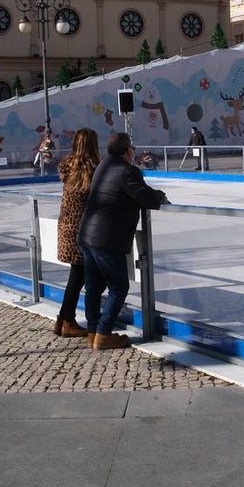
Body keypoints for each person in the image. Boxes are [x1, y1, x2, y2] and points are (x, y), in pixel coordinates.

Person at [77, 132, 169, 350]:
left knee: (93, 286)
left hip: (88, 235)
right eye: (133, 149)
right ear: (128, 150)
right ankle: (103, 334)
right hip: (106, 239)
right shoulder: (128, 171)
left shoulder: (103, 166)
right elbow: (143, 195)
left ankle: (92, 332)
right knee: (118, 286)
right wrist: (160, 196)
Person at [53, 128, 98, 339]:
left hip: (66, 226)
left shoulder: (68, 166)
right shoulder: (94, 168)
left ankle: (63, 320)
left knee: (77, 275)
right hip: (82, 229)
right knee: (79, 277)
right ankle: (67, 321)